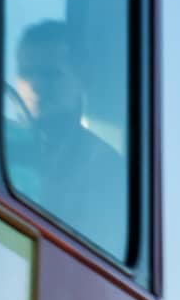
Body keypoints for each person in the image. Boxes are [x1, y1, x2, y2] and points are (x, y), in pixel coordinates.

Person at [12, 19, 125, 255]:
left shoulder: (104, 168)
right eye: (26, 73)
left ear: (83, 81)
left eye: (51, 75)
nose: (36, 86)